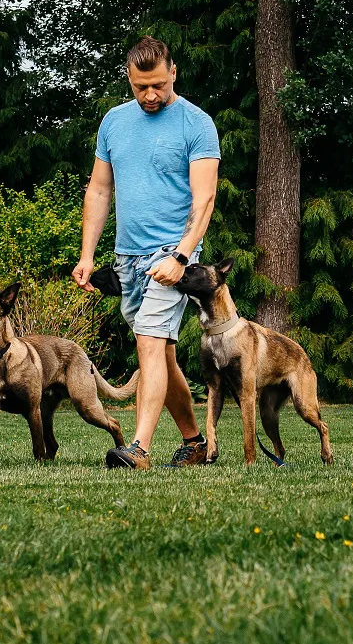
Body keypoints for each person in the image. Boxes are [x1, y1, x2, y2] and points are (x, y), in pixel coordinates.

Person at [72, 36, 220, 469]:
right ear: (130, 80)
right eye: (141, 87)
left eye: (158, 84)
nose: (150, 95)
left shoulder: (196, 124)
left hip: (170, 255)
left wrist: (181, 257)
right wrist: (87, 254)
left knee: (149, 345)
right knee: (163, 354)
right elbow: (99, 190)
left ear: (173, 72)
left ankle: (138, 448)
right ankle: (195, 441)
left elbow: (204, 198)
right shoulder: (114, 123)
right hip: (127, 258)